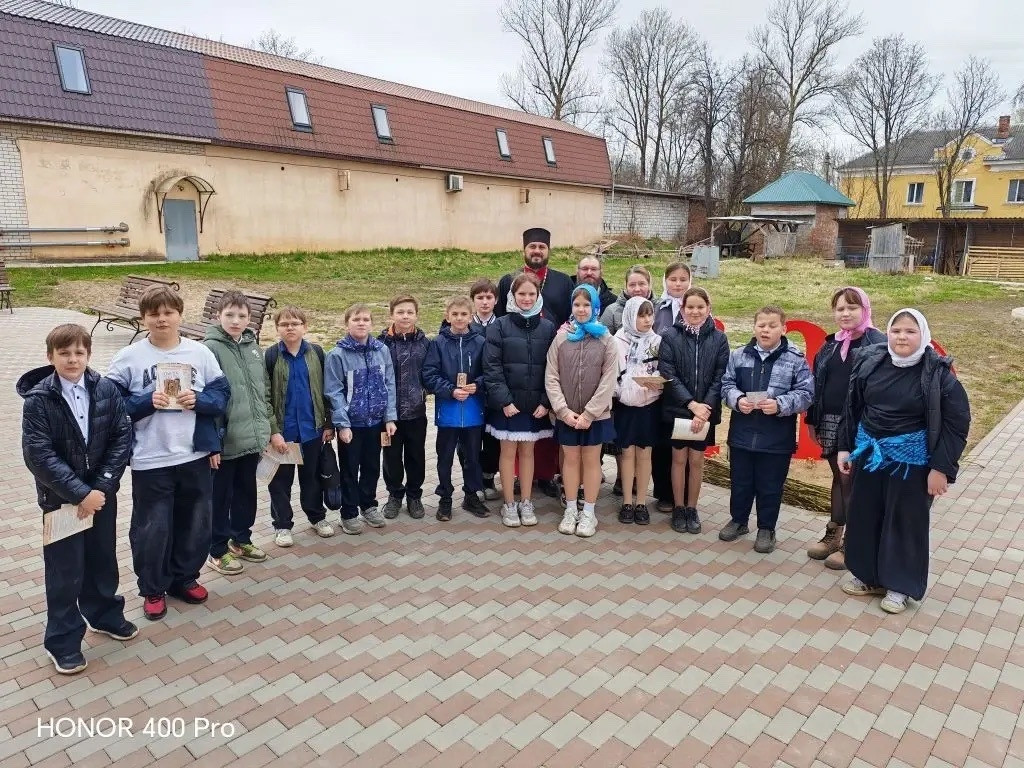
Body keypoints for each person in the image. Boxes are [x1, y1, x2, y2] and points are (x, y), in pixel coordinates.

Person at [106, 285, 229, 621]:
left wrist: (199, 401)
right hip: (151, 458)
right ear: (143, 317)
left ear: (179, 315)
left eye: (168, 312)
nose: (161, 319)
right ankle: (153, 588)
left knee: (195, 522)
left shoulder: (199, 353)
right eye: (154, 314)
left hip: (193, 455)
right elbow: (110, 405)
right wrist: (146, 402)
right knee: (152, 528)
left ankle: (184, 578)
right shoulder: (129, 357)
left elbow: (221, 396)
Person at [19, 324, 135, 674]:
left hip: (101, 496)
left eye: (79, 353)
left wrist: (101, 487)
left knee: (102, 559)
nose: (72, 359)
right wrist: (80, 494)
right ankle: (63, 640)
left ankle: (103, 613)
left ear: (88, 354)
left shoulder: (106, 389)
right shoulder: (39, 399)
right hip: (61, 499)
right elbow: (38, 454)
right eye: (64, 353)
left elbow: (121, 437)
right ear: (50, 356)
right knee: (65, 570)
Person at [839, 309, 970, 614]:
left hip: (912, 462)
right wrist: (845, 447)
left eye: (910, 331)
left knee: (904, 521)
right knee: (865, 514)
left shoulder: (937, 374)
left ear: (923, 335)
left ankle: (899, 586)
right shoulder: (871, 363)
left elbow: (956, 424)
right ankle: (868, 576)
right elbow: (853, 407)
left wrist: (941, 469)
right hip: (870, 456)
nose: (901, 337)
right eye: (896, 330)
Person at [719, 305, 814, 553]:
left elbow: (806, 394)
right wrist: (737, 400)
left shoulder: (795, 359)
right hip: (742, 435)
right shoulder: (739, 355)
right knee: (740, 482)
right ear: (754, 327)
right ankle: (739, 520)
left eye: (772, 326)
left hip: (776, 439)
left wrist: (780, 404)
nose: (766, 330)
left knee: (770, 486)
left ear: (783, 329)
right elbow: (726, 384)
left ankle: (766, 528)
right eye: (761, 325)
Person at [804, 287, 885, 569]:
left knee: (855, 482)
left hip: (862, 425)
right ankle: (833, 535)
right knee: (839, 479)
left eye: (852, 307)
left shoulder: (878, 344)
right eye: (840, 309)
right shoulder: (830, 345)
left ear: (865, 310)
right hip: (830, 421)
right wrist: (812, 419)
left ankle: (855, 541)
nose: (845, 313)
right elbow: (817, 385)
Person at [494, 228, 573, 498]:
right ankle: (518, 477)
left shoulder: (563, 281)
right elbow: (500, 316)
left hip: (547, 356)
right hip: (514, 358)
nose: (537, 251)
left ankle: (546, 475)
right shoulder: (508, 280)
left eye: (541, 246)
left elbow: (570, 318)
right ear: (524, 250)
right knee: (517, 430)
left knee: (544, 427)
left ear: (548, 250)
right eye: (532, 247)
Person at [204, 291, 273, 575]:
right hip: (225, 440)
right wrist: (211, 443)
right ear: (218, 316)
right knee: (220, 498)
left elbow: (263, 391)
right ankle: (217, 549)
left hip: (251, 437)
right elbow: (206, 400)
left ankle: (240, 538)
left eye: (242, 316)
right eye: (229, 315)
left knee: (246, 492)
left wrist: (267, 428)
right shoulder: (209, 349)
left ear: (249, 319)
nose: (235, 321)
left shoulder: (253, 347)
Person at [546, 284, 618, 537]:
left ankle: (588, 512)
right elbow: (551, 376)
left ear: (595, 307)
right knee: (570, 460)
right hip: (567, 414)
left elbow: (609, 380)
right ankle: (570, 508)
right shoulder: (561, 338)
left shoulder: (606, 340)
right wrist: (563, 410)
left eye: (587, 304)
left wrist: (589, 414)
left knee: (591, 460)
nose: (581, 309)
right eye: (577, 304)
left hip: (595, 417)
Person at [484, 272, 556, 528]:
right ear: (512, 296)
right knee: (508, 452)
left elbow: (553, 369)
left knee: (528, 452)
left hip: (535, 405)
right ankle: (509, 503)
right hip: (508, 405)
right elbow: (492, 367)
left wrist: (545, 402)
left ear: (538, 296)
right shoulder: (499, 326)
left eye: (531, 294)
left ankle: (526, 501)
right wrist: (504, 400)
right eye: (521, 294)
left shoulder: (547, 328)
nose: (526, 298)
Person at [658, 287, 729, 535]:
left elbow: (720, 375)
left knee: (696, 460)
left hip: (706, 410)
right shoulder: (670, 336)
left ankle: (692, 508)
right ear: (682, 308)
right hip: (679, 408)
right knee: (678, 459)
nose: (695, 311)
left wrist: (704, 408)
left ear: (708, 308)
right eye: (690, 307)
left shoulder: (719, 338)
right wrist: (691, 404)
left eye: (700, 307)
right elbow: (668, 373)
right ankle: (678, 508)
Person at [264, 306, 335, 547]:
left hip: (312, 429)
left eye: (295, 323)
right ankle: (282, 525)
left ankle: (317, 517)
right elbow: (265, 396)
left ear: (305, 327)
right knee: (280, 482)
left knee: (312, 478)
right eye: (284, 324)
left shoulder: (317, 353)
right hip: (283, 433)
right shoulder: (271, 356)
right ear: (277, 329)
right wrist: (273, 431)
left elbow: (326, 390)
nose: (290, 328)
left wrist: (328, 423)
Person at [324, 303, 397, 534]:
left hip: (375, 422)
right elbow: (334, 392)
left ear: (372, 324)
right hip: (352, 424)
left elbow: (389, 384)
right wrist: (342, 424)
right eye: (356, 319)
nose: (361, 323)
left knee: (371, 467)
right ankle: (349, 513)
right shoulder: (337, 355)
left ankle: (368, 505)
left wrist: (389, 417)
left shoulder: (381, 350)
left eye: (366, 319)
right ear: (347, 324)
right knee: (349, 469)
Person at [422, 296, 490, 520]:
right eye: (455, 314)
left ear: (471, 317)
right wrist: (450, 390)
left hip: (473, 410)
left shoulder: (480, 342)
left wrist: (477, 385)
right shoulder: (437, 343)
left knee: (472, 456)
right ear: (447, 316)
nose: (459, 318)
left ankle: (471, 495)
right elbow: (429, 374)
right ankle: (445, 497)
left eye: (464, 314)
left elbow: (489, 371)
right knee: (445, 457)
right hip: (448, 411)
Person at [612, 297, 663, 526]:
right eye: (641, 315)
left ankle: (641, 501)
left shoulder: (657, 341)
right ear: (631, 316)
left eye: (650, 314)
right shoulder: (618, 340)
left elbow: (662, 369)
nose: (647, 320)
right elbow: (612, 371)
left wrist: (656, 382)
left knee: (644, 453)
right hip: (625, 406)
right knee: (626, 453)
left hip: (649, 405)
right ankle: (626, 501)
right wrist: (620, 388)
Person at [379, 294, 430, 520]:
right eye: (400, 312)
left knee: (416, 456)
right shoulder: (381, 344)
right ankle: (394, 495)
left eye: (410, 312)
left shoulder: (425, 343)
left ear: (416, 315)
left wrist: (424, 391)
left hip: (416, 412)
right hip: (388, 415)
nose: (405, 316)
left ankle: (414, 496)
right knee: (391, 457)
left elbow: (430, 373)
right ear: (392, 315)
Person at [652, 262, 694, 511]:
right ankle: (664, 493)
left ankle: (685, 494)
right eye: (673, 279)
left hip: (689, 387)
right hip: (661, 384)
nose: (678, 284)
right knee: (662, 442)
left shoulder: (696, 307)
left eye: (683, 279)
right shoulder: (658, 308)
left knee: (685, 442)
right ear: (665, 281)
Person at [470, 278, 501, 500]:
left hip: (494, 392)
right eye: (479, 297)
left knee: (492, 439)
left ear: (496, 300)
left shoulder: (502, 325)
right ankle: (472, 481)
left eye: (489, 297)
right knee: (470, 440)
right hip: (472, 392)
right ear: (473, 300)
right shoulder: (465, 325)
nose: (484, 302)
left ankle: (488, 478)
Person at [599, 265, 654, 336]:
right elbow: (601, 339)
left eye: (642, 284)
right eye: (632, 285)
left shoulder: (660, 308)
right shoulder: (612, 311)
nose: (637, 289)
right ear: (626, 287)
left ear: (649, 285)